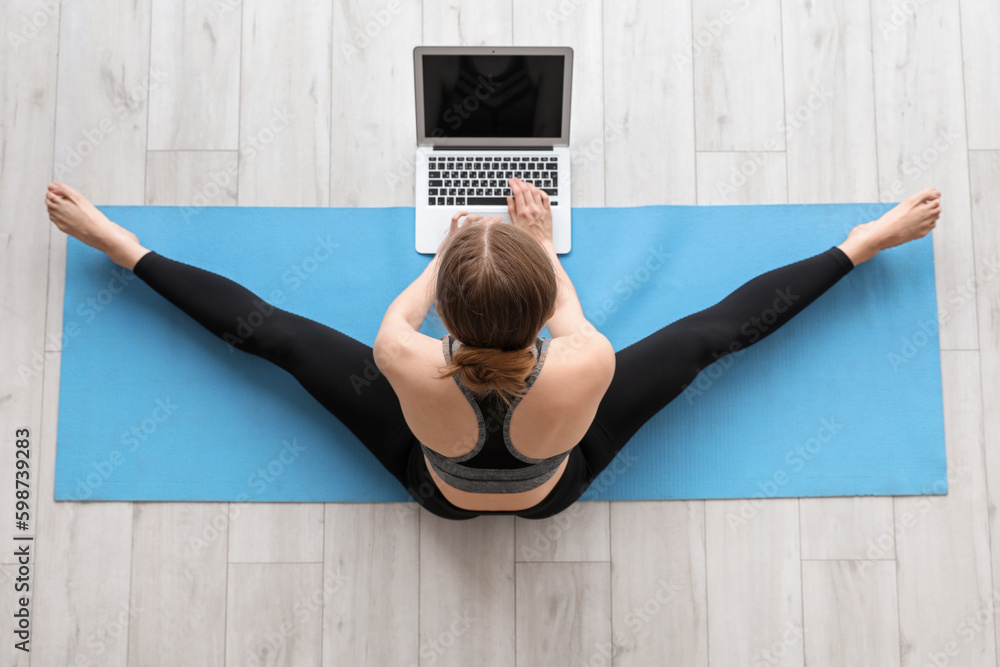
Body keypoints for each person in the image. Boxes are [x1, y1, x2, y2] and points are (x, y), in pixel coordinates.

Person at [44, 178, 941, 520]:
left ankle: (118, 243)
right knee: (708, 339)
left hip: (435, 480)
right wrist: (538, 247)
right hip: (558, 482)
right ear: (541, 304)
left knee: (273, 339)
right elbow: (578, 315)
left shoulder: (404, 355)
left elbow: (353, 323)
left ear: (448, 318)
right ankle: (865, 241)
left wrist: (441, 268)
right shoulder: (584, 362)